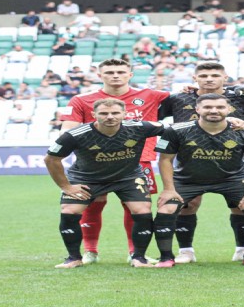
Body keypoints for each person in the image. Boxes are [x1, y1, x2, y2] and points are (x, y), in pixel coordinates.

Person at [157, 62, 244, 263]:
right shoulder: (178, 98)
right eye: (204, 76)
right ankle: (185, 252)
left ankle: (243, 250)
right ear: (195, 78)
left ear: (225, 78)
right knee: (188, 205)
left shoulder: (240, 97)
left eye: (214, 75)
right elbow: (152, 117)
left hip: (232, 166)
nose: (209, 79)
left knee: (241, 206)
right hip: (190, 165)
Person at [60, 59, 172, 265]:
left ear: (130, 74)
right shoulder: (81, 100)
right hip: (94, 164)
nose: (115, 76)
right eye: (109, 72)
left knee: (136, 207)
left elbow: (187, 102)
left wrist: (193, 89)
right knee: (92, 205)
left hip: (138, 160)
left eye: (120, 72)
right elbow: (67, 131)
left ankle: (134, 252)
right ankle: (90, 251)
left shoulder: (152, 95)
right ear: (99, 75)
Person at [44, 98, 166, 268]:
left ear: (124, 114)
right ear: (93, 114)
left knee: (142, 210)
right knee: (69, 211)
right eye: (104, 113)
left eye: (115, 113)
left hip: (128, 177)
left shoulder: (139, 127)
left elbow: (173, 130)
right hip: (86, 178)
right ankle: (74, 258)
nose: (110, 117)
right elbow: (51, 159)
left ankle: (139, 258)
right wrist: (66, 187)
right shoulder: (75, 134)